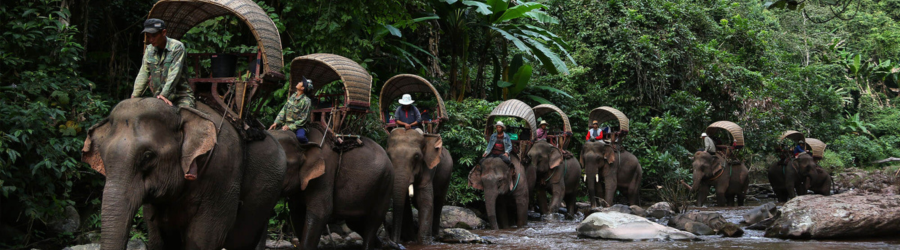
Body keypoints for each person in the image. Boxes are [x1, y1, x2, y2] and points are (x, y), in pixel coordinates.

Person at [131, 18, 195, 108]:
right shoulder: (149, 50)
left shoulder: (177, 47)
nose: (151, 39)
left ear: (163, 32)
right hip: (157, 96)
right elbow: (143, 73)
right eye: (148, 36)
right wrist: (134, 96)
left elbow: (174, 73)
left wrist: (164, 95)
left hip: (180, 96)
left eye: (154, 36)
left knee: (185, 112)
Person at [270, 77, 313, 144]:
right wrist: (276, 122)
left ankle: (308, 147)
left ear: (302, 88)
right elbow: (284, 109)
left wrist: (289, 127)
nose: (299, 82)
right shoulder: (293, 96)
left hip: (299, 126)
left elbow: (303, 119)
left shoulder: (306, 101)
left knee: (300, 137)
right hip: (286, 124)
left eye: (301, 82)